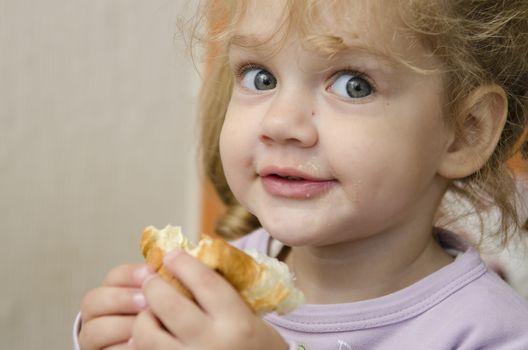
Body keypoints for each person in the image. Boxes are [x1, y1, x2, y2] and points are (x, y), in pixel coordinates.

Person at [75, 0, 528, 349]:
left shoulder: (489, 333)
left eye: (354, 84)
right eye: (259, 77)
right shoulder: (214, 286)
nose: (280, 122)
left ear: (465, 133)